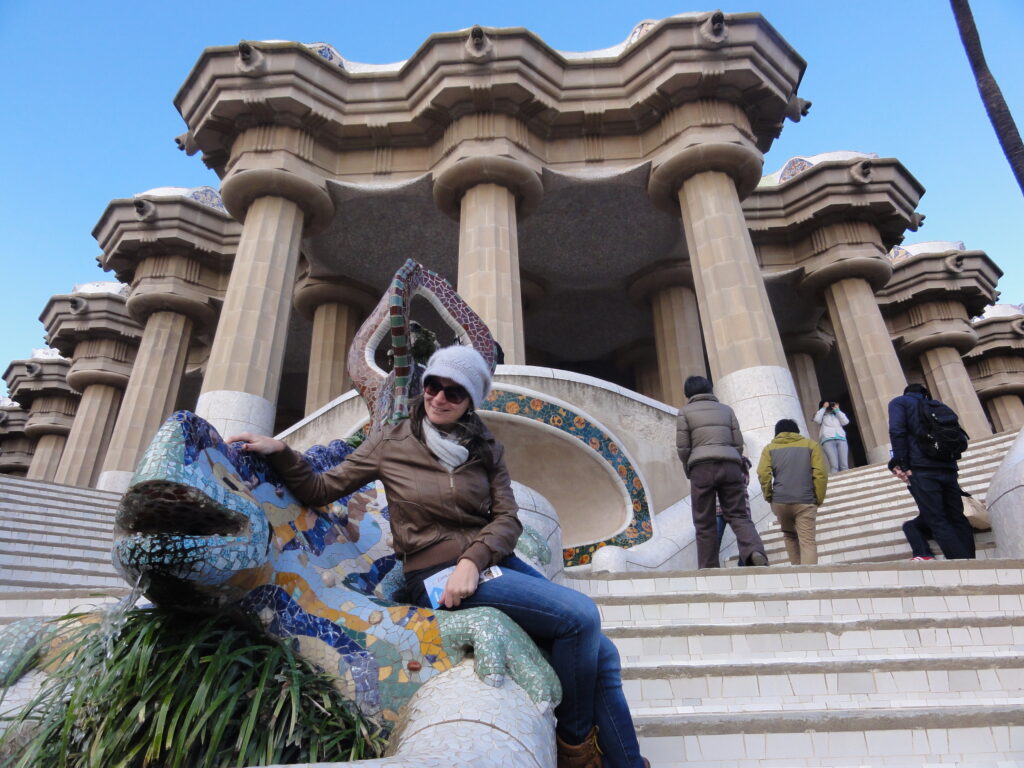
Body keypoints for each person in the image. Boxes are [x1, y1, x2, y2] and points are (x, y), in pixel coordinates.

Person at [228, 345, 647, 768]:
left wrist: (473, 560)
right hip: (433, 573)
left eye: (454, 392)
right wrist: (281, 452)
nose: (439, 398)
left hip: (486, 566)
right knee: (581, 617)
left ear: (471, 402)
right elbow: (322, 488)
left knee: (604, 653)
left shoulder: (485, 447)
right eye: (433, 386)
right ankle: (575, 745)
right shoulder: (392, 441)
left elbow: (507, 518)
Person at [676, 375, 768, 569]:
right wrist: (733, 459)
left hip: (702, 467)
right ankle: (754, 551)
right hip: (731, 465)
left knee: (704, 521)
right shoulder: (727, 410)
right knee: (739, 515)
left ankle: (709, 567)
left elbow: (683, 447)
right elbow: (737, 443)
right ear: (710, 389)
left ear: (688, 393)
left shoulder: (685, 412)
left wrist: (689, 468)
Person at [887, 383, 975, 560]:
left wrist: (902, 464)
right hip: (947, 466)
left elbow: (897, 431)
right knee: (957, 517)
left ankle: (963, 567)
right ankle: (971, 561)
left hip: (922, 469)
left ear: (906, 393)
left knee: (937, 519)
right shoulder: (938, 405)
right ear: (924, 394)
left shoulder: (900, 403)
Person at [756, 419, 828, 565]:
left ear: (777, 433)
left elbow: (763, 474)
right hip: (805, 500)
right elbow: (820, 474)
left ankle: (797, 573)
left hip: (781, 501)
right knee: (807, 541)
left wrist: (770, 496)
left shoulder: (769, 449)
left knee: (789, 536)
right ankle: (810, 579)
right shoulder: (811, 445)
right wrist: (818, 498)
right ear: (797, 431)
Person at [888, 458, 937, 561]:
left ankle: (924, 554)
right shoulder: (911, 485)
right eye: (894, 472)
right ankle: (923, 555)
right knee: (909, 526)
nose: (899, 473)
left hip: (941, 516)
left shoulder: (922, 479)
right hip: (930, 518)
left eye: (899, 468)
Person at [813, 399, 850, 473]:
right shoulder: (822, 415)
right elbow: (817, 420)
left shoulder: (837, 414)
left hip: (841, 439)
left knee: (844, 465)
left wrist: (837, 410)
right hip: (828, 440)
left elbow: (846, 422)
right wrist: (823, 408)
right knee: (834, 466)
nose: (830, 406)